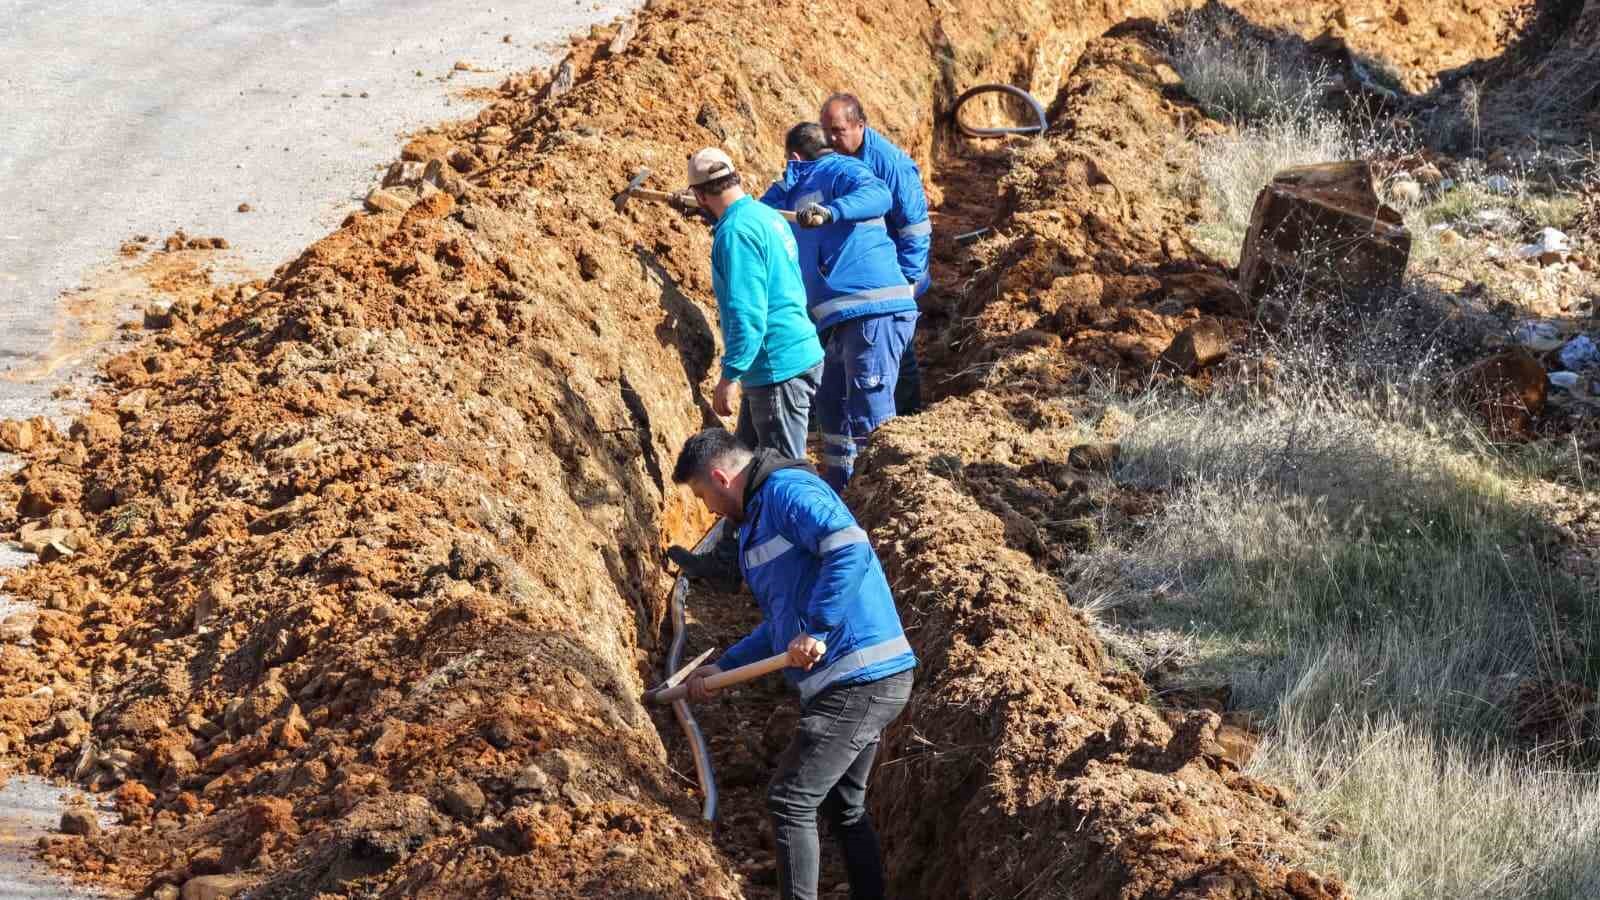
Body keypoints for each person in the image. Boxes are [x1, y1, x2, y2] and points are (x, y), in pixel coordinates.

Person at [673, 428, 915, 900]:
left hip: (859, 675)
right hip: (853, 678)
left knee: (789, 800)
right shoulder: (758, 517)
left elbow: (849, 546)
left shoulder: (788, 492)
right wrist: (724, 667)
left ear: (722, 477)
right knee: (843, 805)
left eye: (704, 496)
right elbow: (783, 626)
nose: (708, 512)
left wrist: (820, 629)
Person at [666, 148, 827, 587]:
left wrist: (730, 374)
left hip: (774, 367)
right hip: (790, 355)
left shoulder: (735, 234)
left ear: (700, 197)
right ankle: (730, 560)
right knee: (743, 468)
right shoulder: (766, 216)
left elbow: (746, 312)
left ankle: (797, 574)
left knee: (780, 479)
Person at [761, 122, 917, 490]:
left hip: (871, 310)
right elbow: (754, 216)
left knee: (869, 415)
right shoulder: (790, 188)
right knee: (832, 409)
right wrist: (712, 205)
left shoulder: (843, 169)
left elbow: (879, 194)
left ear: (796, 156)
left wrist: (831, 212)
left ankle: (884, 496)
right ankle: (844, 492)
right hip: (837, 318)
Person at [821, 93, 931, 416]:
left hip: (893, 275)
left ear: (860, 126)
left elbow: (915, 229)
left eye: (838, 131)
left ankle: (909, 413)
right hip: (856, 275)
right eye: (826, 130)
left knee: (899, 348)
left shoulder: (890, 165)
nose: (830, 139)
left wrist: (906, 283)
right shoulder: (834, 160)